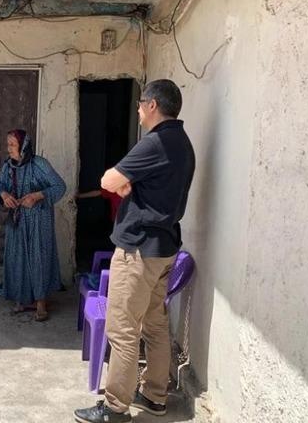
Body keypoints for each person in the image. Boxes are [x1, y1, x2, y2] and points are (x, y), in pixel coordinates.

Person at [75, 79, 195, 423]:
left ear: (153, 105)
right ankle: (155, 395)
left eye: (142, 103)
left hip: (140, 248)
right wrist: (128, 182)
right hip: (164, 246)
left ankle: (115, 407)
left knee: (123, 327)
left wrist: (123, 181)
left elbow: (108, 181)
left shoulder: (156, 141)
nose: (139, 110)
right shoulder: (182, 142)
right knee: (155, 324)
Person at [0, 129, 66, 322]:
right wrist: (4, 195)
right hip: (16, 220)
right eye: (7, 144)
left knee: (38, 258)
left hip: (38, 221)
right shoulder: (8, 167)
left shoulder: (39, 164)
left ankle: (41, 302)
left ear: (23, 146)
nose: (8, 148)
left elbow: (60, 186)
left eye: (12, 145)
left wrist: (37, 196)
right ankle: (23, 299)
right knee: (17, 258)